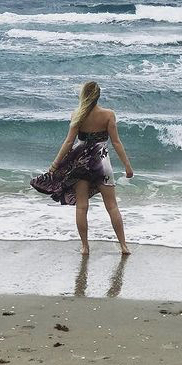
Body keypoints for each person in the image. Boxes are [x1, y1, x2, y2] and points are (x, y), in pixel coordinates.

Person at [30, 81, 133, 255]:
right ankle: (123, 246)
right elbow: (116, 142)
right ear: (98, 96)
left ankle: (85, 247)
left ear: (83, 95)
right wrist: (127, 166)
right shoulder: (108, 115)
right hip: (101, 163)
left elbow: (69, 142)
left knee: (82, 207)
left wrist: (55, 164)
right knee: (112, 206)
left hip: (81, 163)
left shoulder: (77, 114)